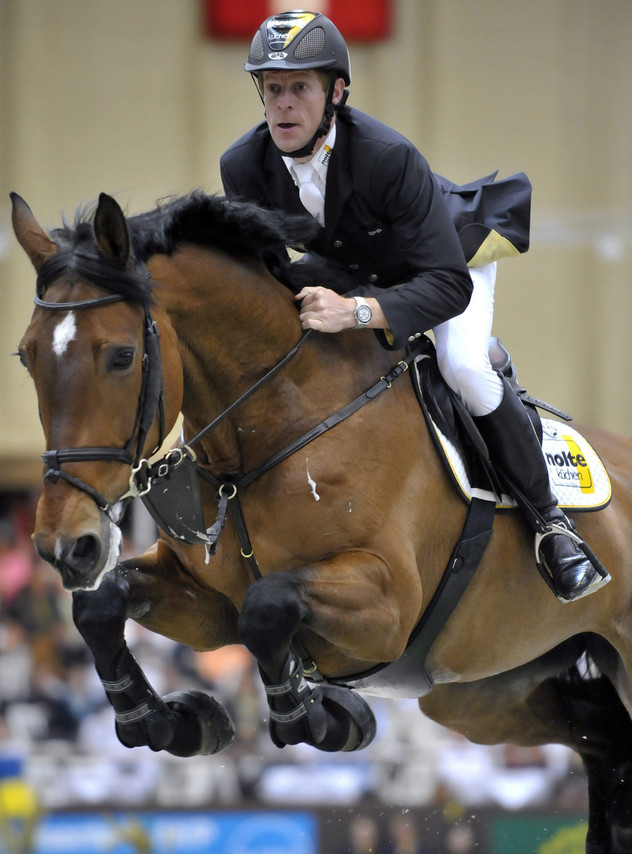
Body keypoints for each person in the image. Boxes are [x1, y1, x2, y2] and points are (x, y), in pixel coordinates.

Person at [219, 10, 609, 603]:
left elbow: (447, 284)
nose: (283, 105)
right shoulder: (243, 166)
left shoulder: (386, 156)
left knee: (463, 369)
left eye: (300, 87)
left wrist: (356, 314)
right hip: (359, 271)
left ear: (336, 92)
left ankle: (552, 525)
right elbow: (267, 272)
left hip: (448, 264)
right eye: (272, 88)